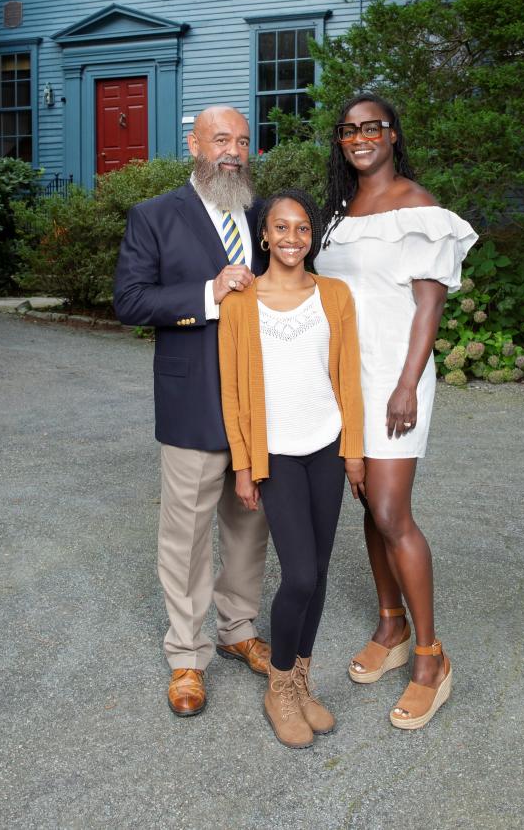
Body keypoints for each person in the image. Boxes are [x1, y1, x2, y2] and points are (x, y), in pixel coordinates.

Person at [315, 93, 477, 730]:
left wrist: (407, 384)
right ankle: (391, 625)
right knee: (367, 503)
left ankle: (431, 659)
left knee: (390, 509)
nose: (360, 138)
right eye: (349, 130)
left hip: (393, 378)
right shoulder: (338, 212)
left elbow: (428, 307)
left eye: (371, 128)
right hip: (345, 382)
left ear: (392, 134)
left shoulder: (418, 207)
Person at [113, 106, 271, 718]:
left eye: (241, 140)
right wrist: (210, 292)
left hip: (259, 401)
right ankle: (187, 652)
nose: (232, 150)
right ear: (194, 145)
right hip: (192, 397)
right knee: (185, 532)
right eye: (220, 139)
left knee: (250, 519)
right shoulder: (155, 215)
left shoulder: (264, 216)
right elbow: (129, 301)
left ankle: (238, 628)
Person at [218, 189, 365, 749]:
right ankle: (278, 684)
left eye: (302, 228)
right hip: (275, 452)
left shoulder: (335, 295)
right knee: (299, 574)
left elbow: (348, 378)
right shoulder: (241, 302)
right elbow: (232, 390)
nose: (292, 238)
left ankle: (302, 681)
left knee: (321, 573)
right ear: (264, 235)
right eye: (281, 228)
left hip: (325, 446)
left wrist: (354, 451)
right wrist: (242, 463)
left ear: (312, 236)